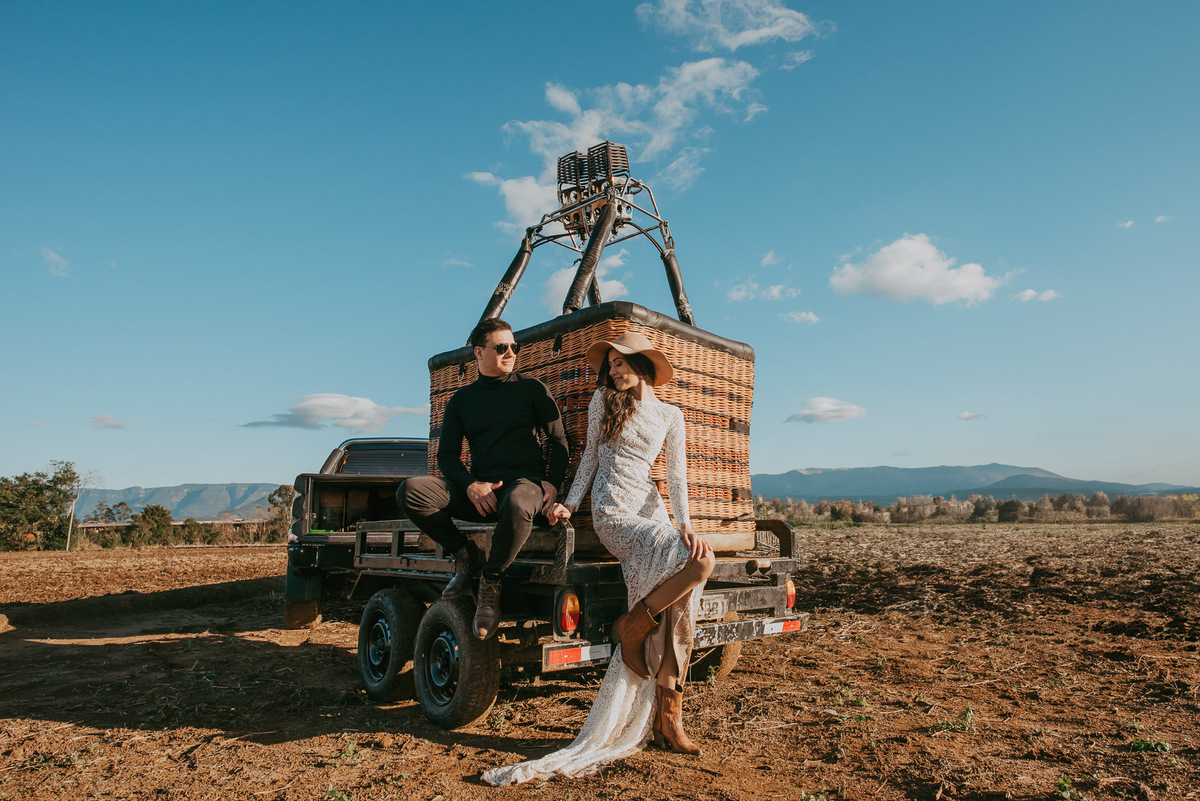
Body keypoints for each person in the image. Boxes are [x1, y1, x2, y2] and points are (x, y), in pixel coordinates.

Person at [482, 330, 715, 786]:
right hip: (613, 512)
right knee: (697, 568)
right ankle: (662, 690)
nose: (612, 371)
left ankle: (666, 702)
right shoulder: (602, 403)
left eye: (620, 363)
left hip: (652, 509)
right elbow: (588, 456)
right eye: (609, 365)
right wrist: (570, 501)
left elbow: (677, 475)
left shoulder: (671, 415)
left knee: (689, 582)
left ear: (642, 365)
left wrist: (685, 523)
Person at [396, 317, 568, 640]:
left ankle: (490, 581)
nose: (510, 353)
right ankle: (465, 555)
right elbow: (446, 456)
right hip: (481, 492)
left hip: (524, 486)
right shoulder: (461, 401)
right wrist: (471, 486)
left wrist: (553, 483)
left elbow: (559, 441)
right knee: (411, 491)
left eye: (514, 347)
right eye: (501, 347)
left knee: (518, 502)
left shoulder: (531, 389)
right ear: (478, 353)